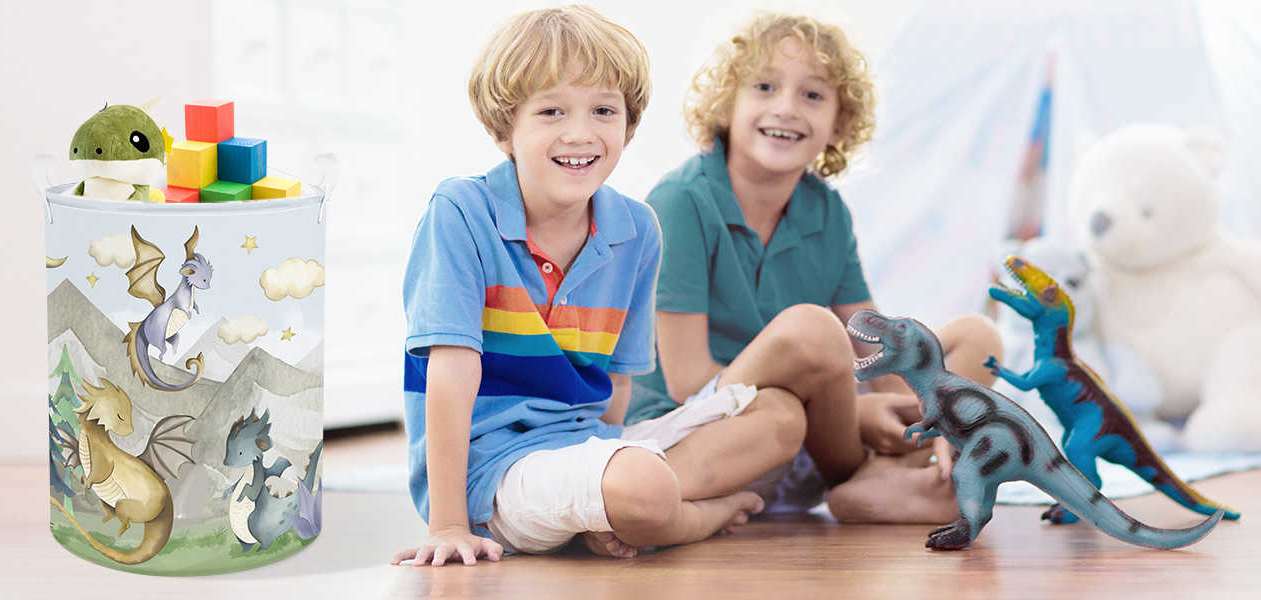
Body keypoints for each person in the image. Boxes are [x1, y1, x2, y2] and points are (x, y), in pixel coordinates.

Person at [393, 6, 770, 567]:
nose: (581, 133)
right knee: (643, 483)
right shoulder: (461, 212)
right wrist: (449, 522)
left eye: (603, 110)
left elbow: (616, 381)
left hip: (589, 445)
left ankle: (610, 507)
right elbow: (450, 370)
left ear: (628, 124)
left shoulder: (638, 229)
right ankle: (696, 516)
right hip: (495, 468)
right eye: (551, 111)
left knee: (778, 418)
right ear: (504, 130)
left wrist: (605, 463)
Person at [626, 12, 1004, 523]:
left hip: (816, 438)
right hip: (704, 433)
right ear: (726, 103)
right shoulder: (681, 202)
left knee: (977, 338)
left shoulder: (826, 211)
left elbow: (879, 352)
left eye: (813, 95)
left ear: (838, 124)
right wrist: (854, 413)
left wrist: (927, 416)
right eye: (763, 86)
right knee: (811, 330)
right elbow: (687, 381)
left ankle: (888, 478)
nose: (786, 108)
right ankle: (869, 479)